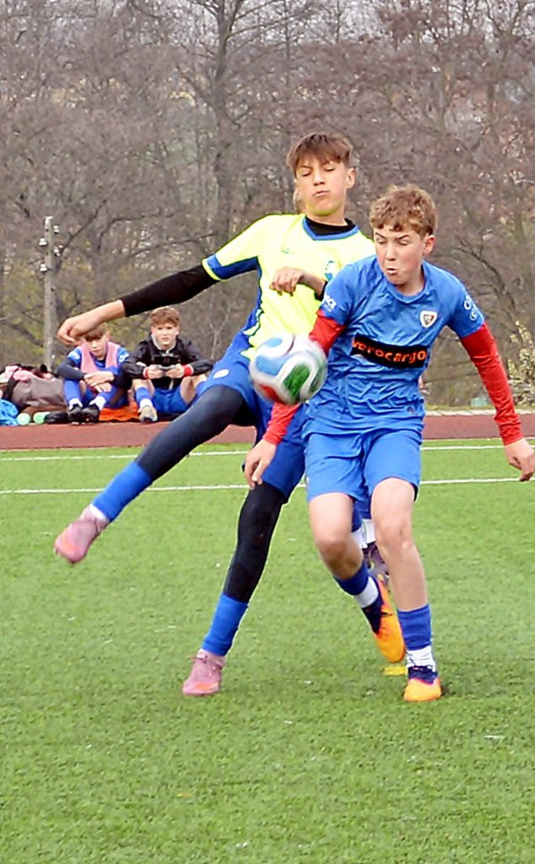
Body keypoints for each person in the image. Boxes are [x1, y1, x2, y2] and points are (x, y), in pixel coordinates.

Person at [52, 132, 403, 696]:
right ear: (295, 184)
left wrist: (315, 282)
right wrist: (104, 311)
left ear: (350, 177)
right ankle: (96, 517)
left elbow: (368, 323)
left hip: (309, 397)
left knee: (259, 515)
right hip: (251, 365)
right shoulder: (271, 232)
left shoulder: (367, 255)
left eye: (329, 168)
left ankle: (218, 652)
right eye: (306, 172)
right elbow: (191, 279)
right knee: (205, 411)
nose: (318, 179)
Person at [244, 185, 535, 702]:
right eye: (381, 240)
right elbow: (309, 359)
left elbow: (487, 357)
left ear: (427, 243)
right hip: (332, 423)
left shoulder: (446, 293)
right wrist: (272, 438)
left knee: (393, 525)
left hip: (395, 424)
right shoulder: (353, 283)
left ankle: (423, 665)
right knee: (331, 539)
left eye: (401, 242)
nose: (389, 253)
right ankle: (375, 604)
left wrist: (511, 433)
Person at [124, 306, 214, 422]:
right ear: (153, 330)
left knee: (198, 373)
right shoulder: (145, 346)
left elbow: (207, 363)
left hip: (180, 395)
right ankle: (146, 407)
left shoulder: (185, 345)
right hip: (154, 397)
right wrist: (147, 372)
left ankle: (208, 405)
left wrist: (184, 370)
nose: (165, 333)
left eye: (169, 328)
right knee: (139, 368)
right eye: (160, 329)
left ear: (177, 330)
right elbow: (127, 364)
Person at [53, 322, 131, 422]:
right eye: (89, 341)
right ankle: (75, 405)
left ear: (107, 336)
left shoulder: (119, 352)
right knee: (71, 374)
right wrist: (87, 377)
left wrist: (110, 377)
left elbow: (128, 379)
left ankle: (96, 405)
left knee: (114, 370)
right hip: (89, 395)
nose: (94, 346)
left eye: (98, 340)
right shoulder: (80, 351)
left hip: (113, 398)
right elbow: (61, 368)